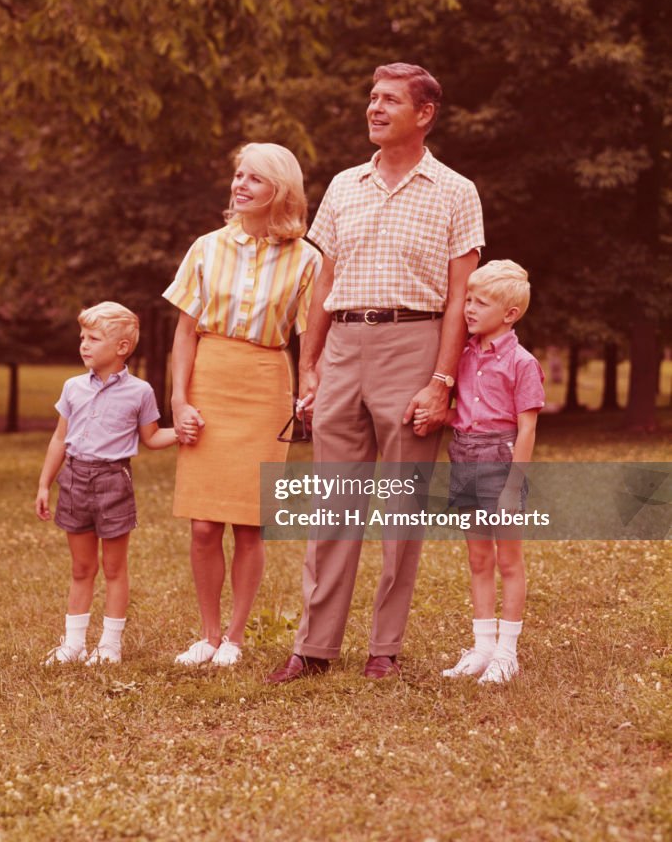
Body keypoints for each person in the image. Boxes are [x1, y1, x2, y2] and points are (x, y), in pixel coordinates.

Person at [268, 62, 485, 684]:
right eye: (371, 98)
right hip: (341, 349)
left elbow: (458, 299)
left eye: (390, 100)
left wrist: (441, 382)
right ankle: (312, 648)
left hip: (414, 346)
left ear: (425, 114)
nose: (375, 108)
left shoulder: (455, 190)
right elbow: (323, 283)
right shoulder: (344, 186)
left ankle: (384, 648)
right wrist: (308, 366)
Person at [164, 143, 321, 668]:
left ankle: (234, 638)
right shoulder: (206, 248)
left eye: (254, 178)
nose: (240, 185)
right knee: (204, 523)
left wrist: (310, 387)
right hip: (210, 379)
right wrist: (179, 399)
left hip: (264, 384)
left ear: (280, 189)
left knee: (250, 522)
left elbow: (310, 339)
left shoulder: (307, 258)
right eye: (238, 175)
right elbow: (184, 333)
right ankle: (207, 634)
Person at [35, 301, 191, 666]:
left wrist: (181, 432)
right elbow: (60, 439)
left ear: (122, 347)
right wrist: (46, 484)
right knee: (81, 568)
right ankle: (73, 645)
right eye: (82, 338)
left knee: (115, 568)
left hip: (113, 482)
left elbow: (150, 438)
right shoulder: (73, 387)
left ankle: (109, 647)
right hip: (74, 480)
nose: (84, 345)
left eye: (93, 338)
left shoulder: (140, 392)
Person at [436, 260, 544, 684]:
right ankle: (481, 649)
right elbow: (464, 413)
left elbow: (527, 427)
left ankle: (506, 653)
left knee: (509, 561)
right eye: (468, 299)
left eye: (481, 302)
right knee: (478, 559)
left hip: (501, 462)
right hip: (464, 458)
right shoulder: (462, 357)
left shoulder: (522, 362)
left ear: (510, 314)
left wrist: (512, 486)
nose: (469, 309)